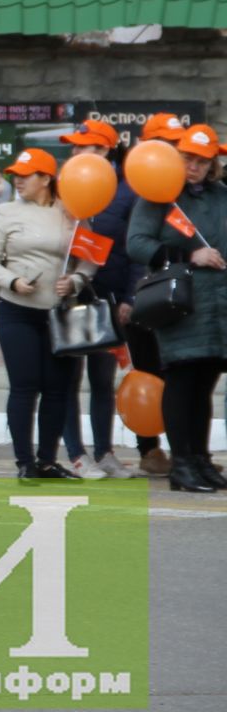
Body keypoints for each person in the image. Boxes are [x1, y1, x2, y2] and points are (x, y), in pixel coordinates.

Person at [0, 149, 89, 481]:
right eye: (16, 174)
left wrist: (78, 280)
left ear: (46, 178)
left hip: (60, 313)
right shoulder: (7, 212)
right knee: (25, 386)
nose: (18, 180)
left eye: (27, 175)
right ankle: (25, 461)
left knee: (58, 388)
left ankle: (47, 460)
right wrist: (12, 280)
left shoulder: (73, 211)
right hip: (17, 312)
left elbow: (90, 256)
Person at [126, 124, 227, 494]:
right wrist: (189, 256)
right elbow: (136, 244)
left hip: (218, 308)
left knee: (204, 382)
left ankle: (200, 459)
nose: (195, 166)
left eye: (203, 160)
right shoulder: (159, 195)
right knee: (183, 381)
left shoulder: (220, 196)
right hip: (180, 303)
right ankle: (181, 464)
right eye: (188, 157)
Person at [62, 119, 150, 477]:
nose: (76, 153)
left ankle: (105, 452)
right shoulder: (62, 188)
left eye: (85, 146)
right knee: (68, 378)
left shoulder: (128, 193)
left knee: (102, 379)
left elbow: (134, 253)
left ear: (105, 150)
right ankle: (76, 453)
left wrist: (129, 297)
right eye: (74, 146)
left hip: (109, 298)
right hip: (70, 296)